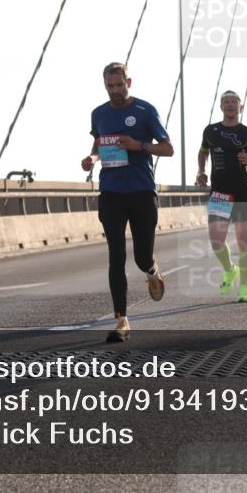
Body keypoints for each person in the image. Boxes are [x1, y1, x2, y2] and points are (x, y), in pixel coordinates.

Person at [81, 62, 172, 342]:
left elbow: (168, 148)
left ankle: (152, 271)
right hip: (111, 192)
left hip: (142, 191)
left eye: (119, 85)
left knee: (142, 257)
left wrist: (139, 146)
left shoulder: (145, 110)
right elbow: (98, 145)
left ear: (128, 83)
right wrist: (91, 159)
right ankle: (122, 319)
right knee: (116, 256)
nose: (115, 91)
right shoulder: (99, 114)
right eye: (110, 86)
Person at [196, 90, 247, 304]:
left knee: (244, 241)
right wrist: (201, 171)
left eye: (234, 102)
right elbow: (203, 151)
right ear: (221, 106)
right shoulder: (211, 130)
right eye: (226, 102)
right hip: (219, 192)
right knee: (216, 241)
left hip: (242, 192)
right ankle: (229, 269)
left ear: (240, 107)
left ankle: (244, 287)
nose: (230, 105)